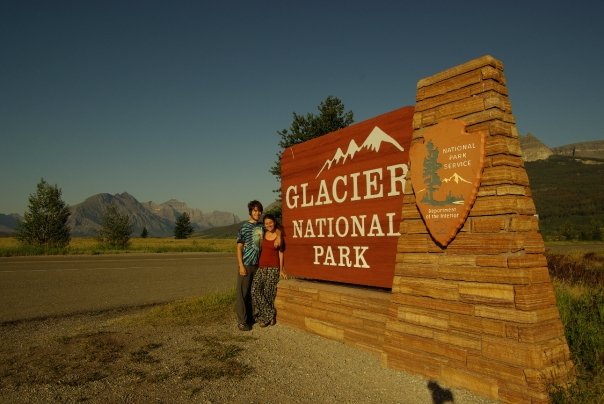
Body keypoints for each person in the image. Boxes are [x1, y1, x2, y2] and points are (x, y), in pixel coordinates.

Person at [235, 200, 281, 331]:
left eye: (259, 210)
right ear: (250, 211)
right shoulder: (244, 227)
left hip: (258, 265)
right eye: (255, 210)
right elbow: (239, 248)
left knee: (253, 292)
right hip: (247, 264)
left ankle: (251, 317)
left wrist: (279, 236)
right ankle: (242, 321)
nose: (258, 213)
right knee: (242, 293)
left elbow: (275, 228)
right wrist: (241, 266)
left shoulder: (261, 226)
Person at [251, 213, 287, 327]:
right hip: (261, 267)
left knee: (268, 294)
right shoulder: (263, 233)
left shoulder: (278, 234)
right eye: (266, 223)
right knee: (254, 290)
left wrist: (281, 269)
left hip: (273, 268)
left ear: (274, 222)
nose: (268, 225)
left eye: (270, 222)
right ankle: (270, 314)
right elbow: (256, 242)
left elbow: (281, 252)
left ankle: (266, 318)